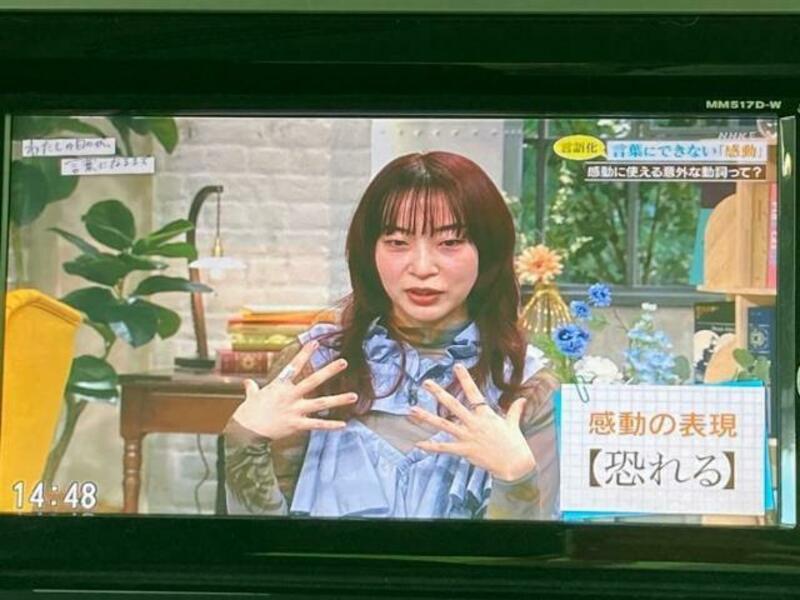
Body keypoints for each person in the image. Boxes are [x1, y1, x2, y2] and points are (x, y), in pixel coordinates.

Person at [224, 150, 560, 520]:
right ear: (369, 252)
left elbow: (534, 551)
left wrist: (515, 480)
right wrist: (244, 440)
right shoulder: (317, 366)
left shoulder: (526, 385)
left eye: (449, 242)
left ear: (488, 251)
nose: (422, 267)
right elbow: (261, 544)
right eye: (398, 242)